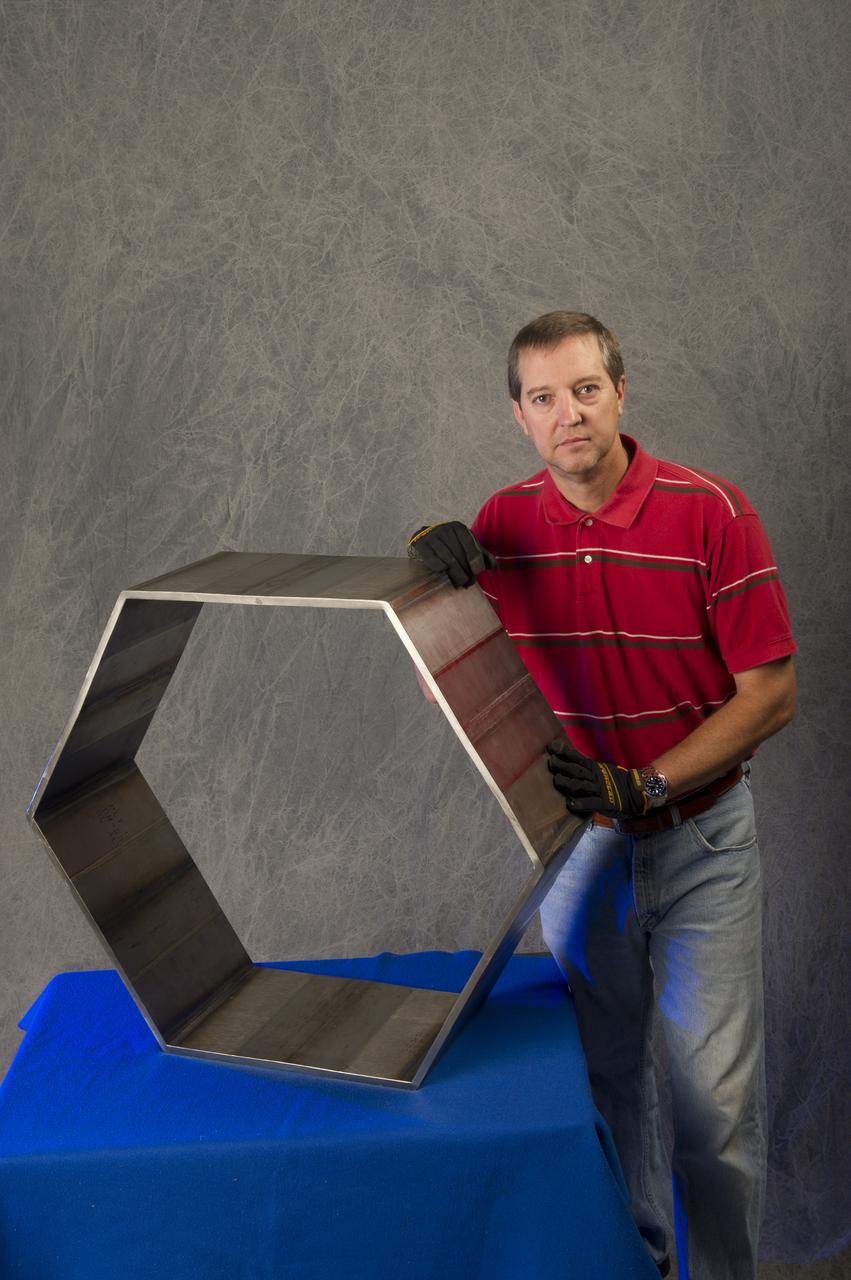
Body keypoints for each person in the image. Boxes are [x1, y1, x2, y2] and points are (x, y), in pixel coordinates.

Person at [407, 311, 796, 1280]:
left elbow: (771, 694)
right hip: (581, 849)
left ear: (620, 392)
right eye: (543, 397)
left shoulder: (712, 510)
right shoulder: (500, 523)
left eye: (584, 388)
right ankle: (637, 1264)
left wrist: (650, 778)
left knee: (712, 1108)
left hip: (703, 841)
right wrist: (416, 568)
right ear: (519, 417)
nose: (567, 412)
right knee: (603, 1084)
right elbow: (446, 675)